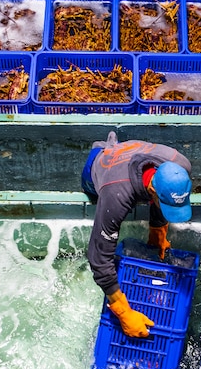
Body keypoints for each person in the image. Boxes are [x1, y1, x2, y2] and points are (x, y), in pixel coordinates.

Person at [82, 131, 193, 338]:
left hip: (133, 153)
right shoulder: (115, 193)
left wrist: (158, 233)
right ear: (152, 189)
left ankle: (114, 148)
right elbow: (98, 259)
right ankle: (102, 149)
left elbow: (164, 198)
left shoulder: (180, 165)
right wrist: (123, 312)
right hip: (103, 165)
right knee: (95, 191)